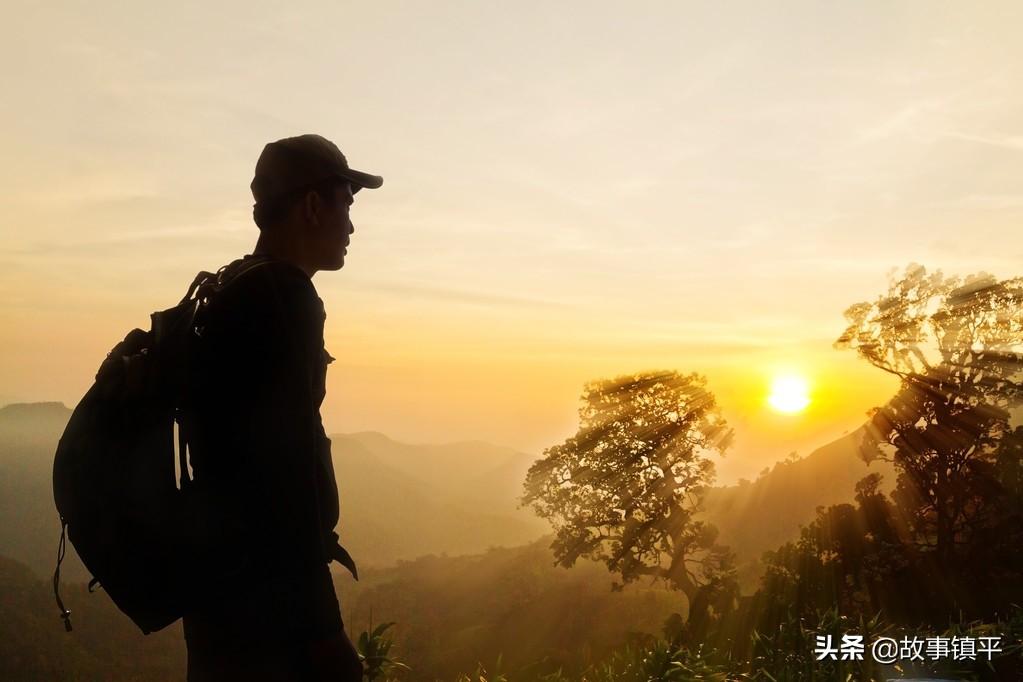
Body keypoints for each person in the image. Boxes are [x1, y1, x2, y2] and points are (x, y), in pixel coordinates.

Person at [180, 134, 382, 681]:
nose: (352, 226)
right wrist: (323, 633)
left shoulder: (234, 286)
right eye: (347, 204)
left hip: (217, 592)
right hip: (267, 609)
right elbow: (286, 484)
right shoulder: (284, 299)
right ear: (314, 206)